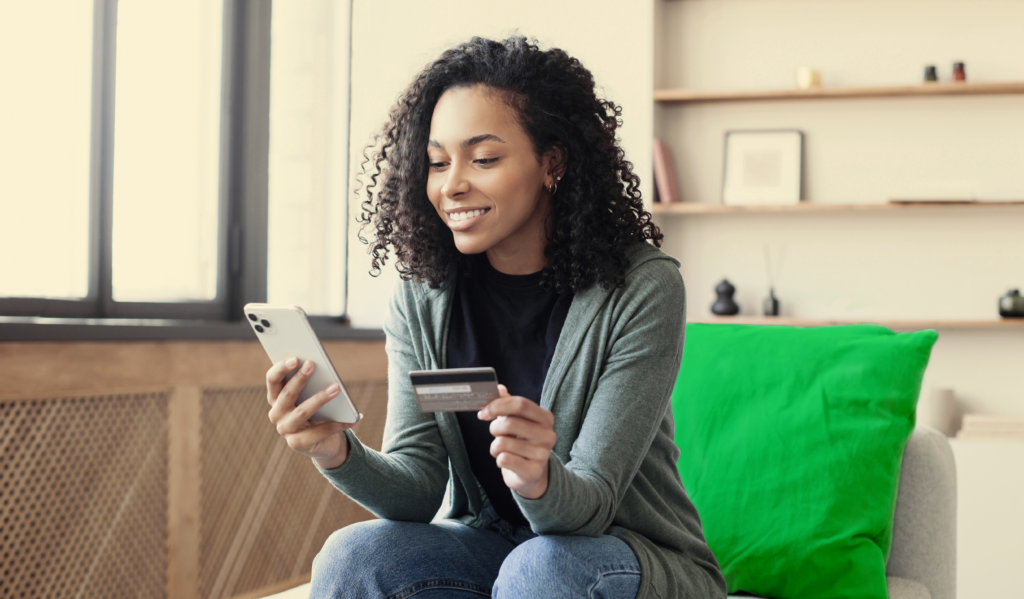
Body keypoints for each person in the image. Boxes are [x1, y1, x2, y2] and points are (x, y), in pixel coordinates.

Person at [265, 36, 725, 599]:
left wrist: (539, 479)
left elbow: (595, 502)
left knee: (541, 567)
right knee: (353, 556)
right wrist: (335, 451)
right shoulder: (423, 293)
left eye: (483, 159)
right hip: (496, 546)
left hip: (622, 556)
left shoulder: (641, 287)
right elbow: (418, 485)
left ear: (551, 162)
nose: (452, 184)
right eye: (437, 162)